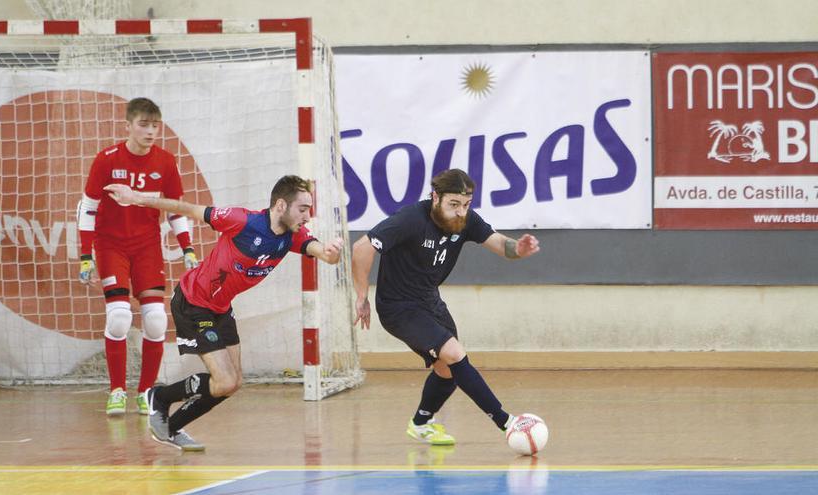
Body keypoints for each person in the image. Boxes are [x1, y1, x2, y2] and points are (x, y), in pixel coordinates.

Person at [104, 175, 343, 451]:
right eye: (302, 208)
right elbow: (189, 209)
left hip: (220, 307)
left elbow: (324, 255)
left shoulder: (293, 236)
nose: (307, 215)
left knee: (232, 383)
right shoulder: (243, 221)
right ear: (280, 205)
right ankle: (160, 396)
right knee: (224, 380)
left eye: (310, 209)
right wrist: (137, 198)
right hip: (193, 302)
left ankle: (171, 427)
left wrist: (332, 252)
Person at [351, 169, 540, 446]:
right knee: (454, 353)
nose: (460, 212)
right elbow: (362, 248)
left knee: (449, 369)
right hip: (398, 306)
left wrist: (518, 250)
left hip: (430, 301)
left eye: (466, 205)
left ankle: (421, 423)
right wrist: (361, 296)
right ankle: (507, 422)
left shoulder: (465, 221)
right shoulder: (410, 219)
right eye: (454, 205)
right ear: (435, 197)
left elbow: (499, 243)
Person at [77, 97, 200, 416]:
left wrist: (187, 246)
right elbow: (88, 207)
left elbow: (176, 209)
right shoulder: (106, 160)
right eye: (143, 125)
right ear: (128, 126)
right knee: (118, 317)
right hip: (110, 245)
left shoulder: (165, 161)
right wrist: (85, 254)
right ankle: (117, 390)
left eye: (155, 125)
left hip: (146, 246)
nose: (150, 131)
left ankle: (147, 392)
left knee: (157, 321)